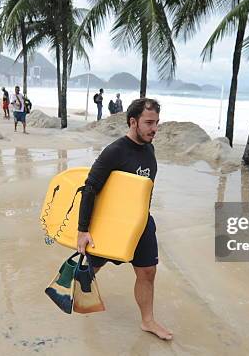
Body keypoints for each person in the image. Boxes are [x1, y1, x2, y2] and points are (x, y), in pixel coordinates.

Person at [76, 98, 172, 340]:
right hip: (112, 224)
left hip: (140, 223)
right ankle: (79, 296)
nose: (154, 129)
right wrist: (83, 230)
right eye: (149, 123)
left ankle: (148, 321)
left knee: (148, 272)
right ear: (133, 121)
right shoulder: (115, 151)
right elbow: (90, 188)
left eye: (157, 123)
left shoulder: (149, 148)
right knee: (92, 267)